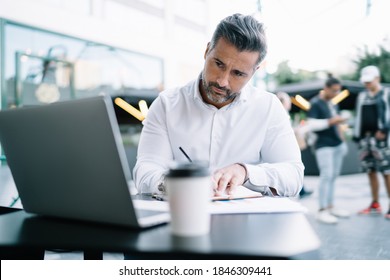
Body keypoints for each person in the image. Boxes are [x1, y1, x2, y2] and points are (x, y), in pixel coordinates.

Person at [133, 14, 304, 198]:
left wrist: (246, 172)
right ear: (207, 50)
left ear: (254, 71)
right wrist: (175, 183)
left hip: (248, 222)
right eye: (218, 64)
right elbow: (145, 168)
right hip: (182, 215)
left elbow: (293, 176)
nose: (223, 81)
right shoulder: (166, 104)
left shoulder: (268, 107)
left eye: (238, 73)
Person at [306, 77, 349, 224]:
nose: (337, 93)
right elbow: (311, 125)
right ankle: (322, 210)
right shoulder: (315, 103)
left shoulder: (332, 103)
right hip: (323, 145)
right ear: (326, 87)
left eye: (338, 90)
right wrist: (334, 121)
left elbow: (337, 124)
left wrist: (342, 141)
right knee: (326, 176)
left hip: (337, 145)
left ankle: (330, 207)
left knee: (333, 177)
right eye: (334, 90)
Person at [353, 65, 390, 219]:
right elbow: (358, 117)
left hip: (383, 141)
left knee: (387, 171)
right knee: (370, 171)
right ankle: (375, 203)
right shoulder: (362, 96)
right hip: (366, 140)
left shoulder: (386, 93)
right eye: (365, 81)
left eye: (370, 81)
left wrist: (385, 129)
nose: (367, 84)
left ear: (377, 79)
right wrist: (357, 135)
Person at [276, 91, 313, 198]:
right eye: (288, 101)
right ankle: (299, 190)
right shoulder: (281, 113)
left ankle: (301, 190)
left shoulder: (281, 113)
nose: (290, 104)